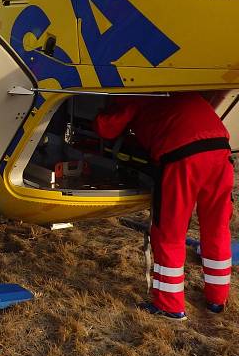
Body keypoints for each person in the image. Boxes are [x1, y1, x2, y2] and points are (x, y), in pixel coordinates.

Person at [93, 92, 233, 321]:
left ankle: (170, 305)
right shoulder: (180, 86)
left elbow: (105, 129)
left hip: (183, 159)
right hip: (220, 152)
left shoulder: (139, 90)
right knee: (217, 229)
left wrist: (106, 106)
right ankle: (217, 300)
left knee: (170, 233)